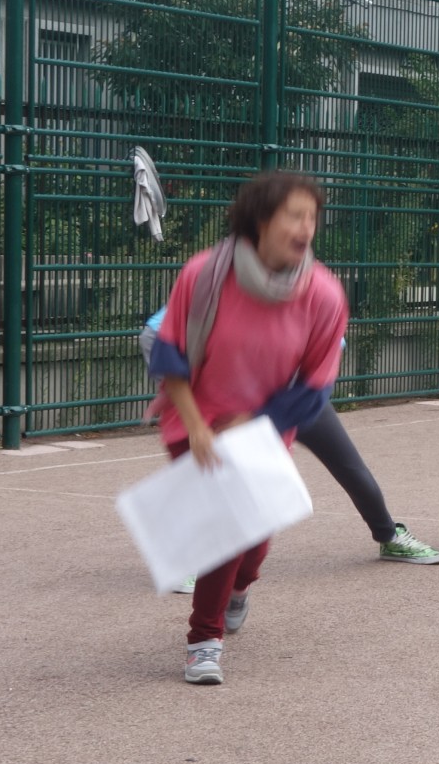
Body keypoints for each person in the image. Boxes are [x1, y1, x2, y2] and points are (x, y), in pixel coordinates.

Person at [147, 170, 348, 685]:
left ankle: (240, 586)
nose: (306, 226)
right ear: (261, 219)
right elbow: (170, 355)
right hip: (195, 420)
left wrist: (256, 422)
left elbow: (315, 386)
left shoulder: (323, 294)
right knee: (224, 527)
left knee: (253, 541)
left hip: (264, 430)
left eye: (313, 217)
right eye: (294, 215)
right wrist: (197, 426)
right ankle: (203, 641)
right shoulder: (204, 274)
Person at [144, 308, 439, 587]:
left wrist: (285, 402)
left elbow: (327, 355)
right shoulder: (218, 288)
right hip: (228, 398)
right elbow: (155, 335)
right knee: (215, 475)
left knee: (347, 464)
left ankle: (389, 535)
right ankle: (191, 559)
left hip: (291, 395)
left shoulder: (310, 296)